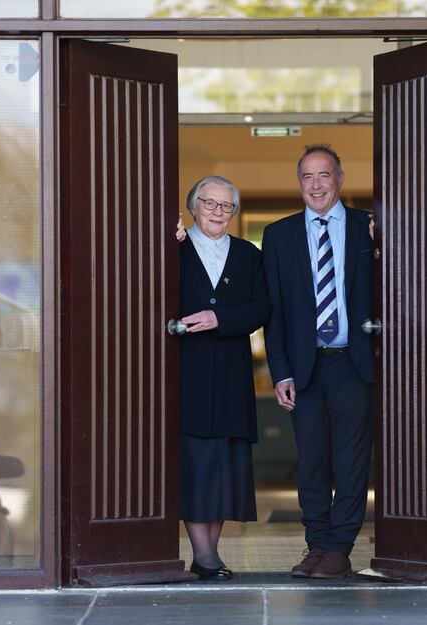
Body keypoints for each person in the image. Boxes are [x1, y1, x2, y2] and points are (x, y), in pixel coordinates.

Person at [261, 145, 374, 579]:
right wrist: (281, 372)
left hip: (353, 363)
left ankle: (340, 548)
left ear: (340, 179)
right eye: (307, 176)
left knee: (350, 461)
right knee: (310, 461)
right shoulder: (279, 235)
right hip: (305, 366)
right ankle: (317, 545)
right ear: (299, 183)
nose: (316, 185)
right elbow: (274, 311)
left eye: (324, 175)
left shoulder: (369, 227)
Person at [175, 175, 271, 581]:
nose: (218, 212)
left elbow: (263, 308)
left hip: (232, 372)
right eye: (209, 203)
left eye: (226, 205)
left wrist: (220, 319)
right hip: (187, 371)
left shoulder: (248, 254)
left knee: (224, 465)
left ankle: (208, 555)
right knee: (196, 462)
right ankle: (206, 555)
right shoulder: (172, 249)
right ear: (192, 207)